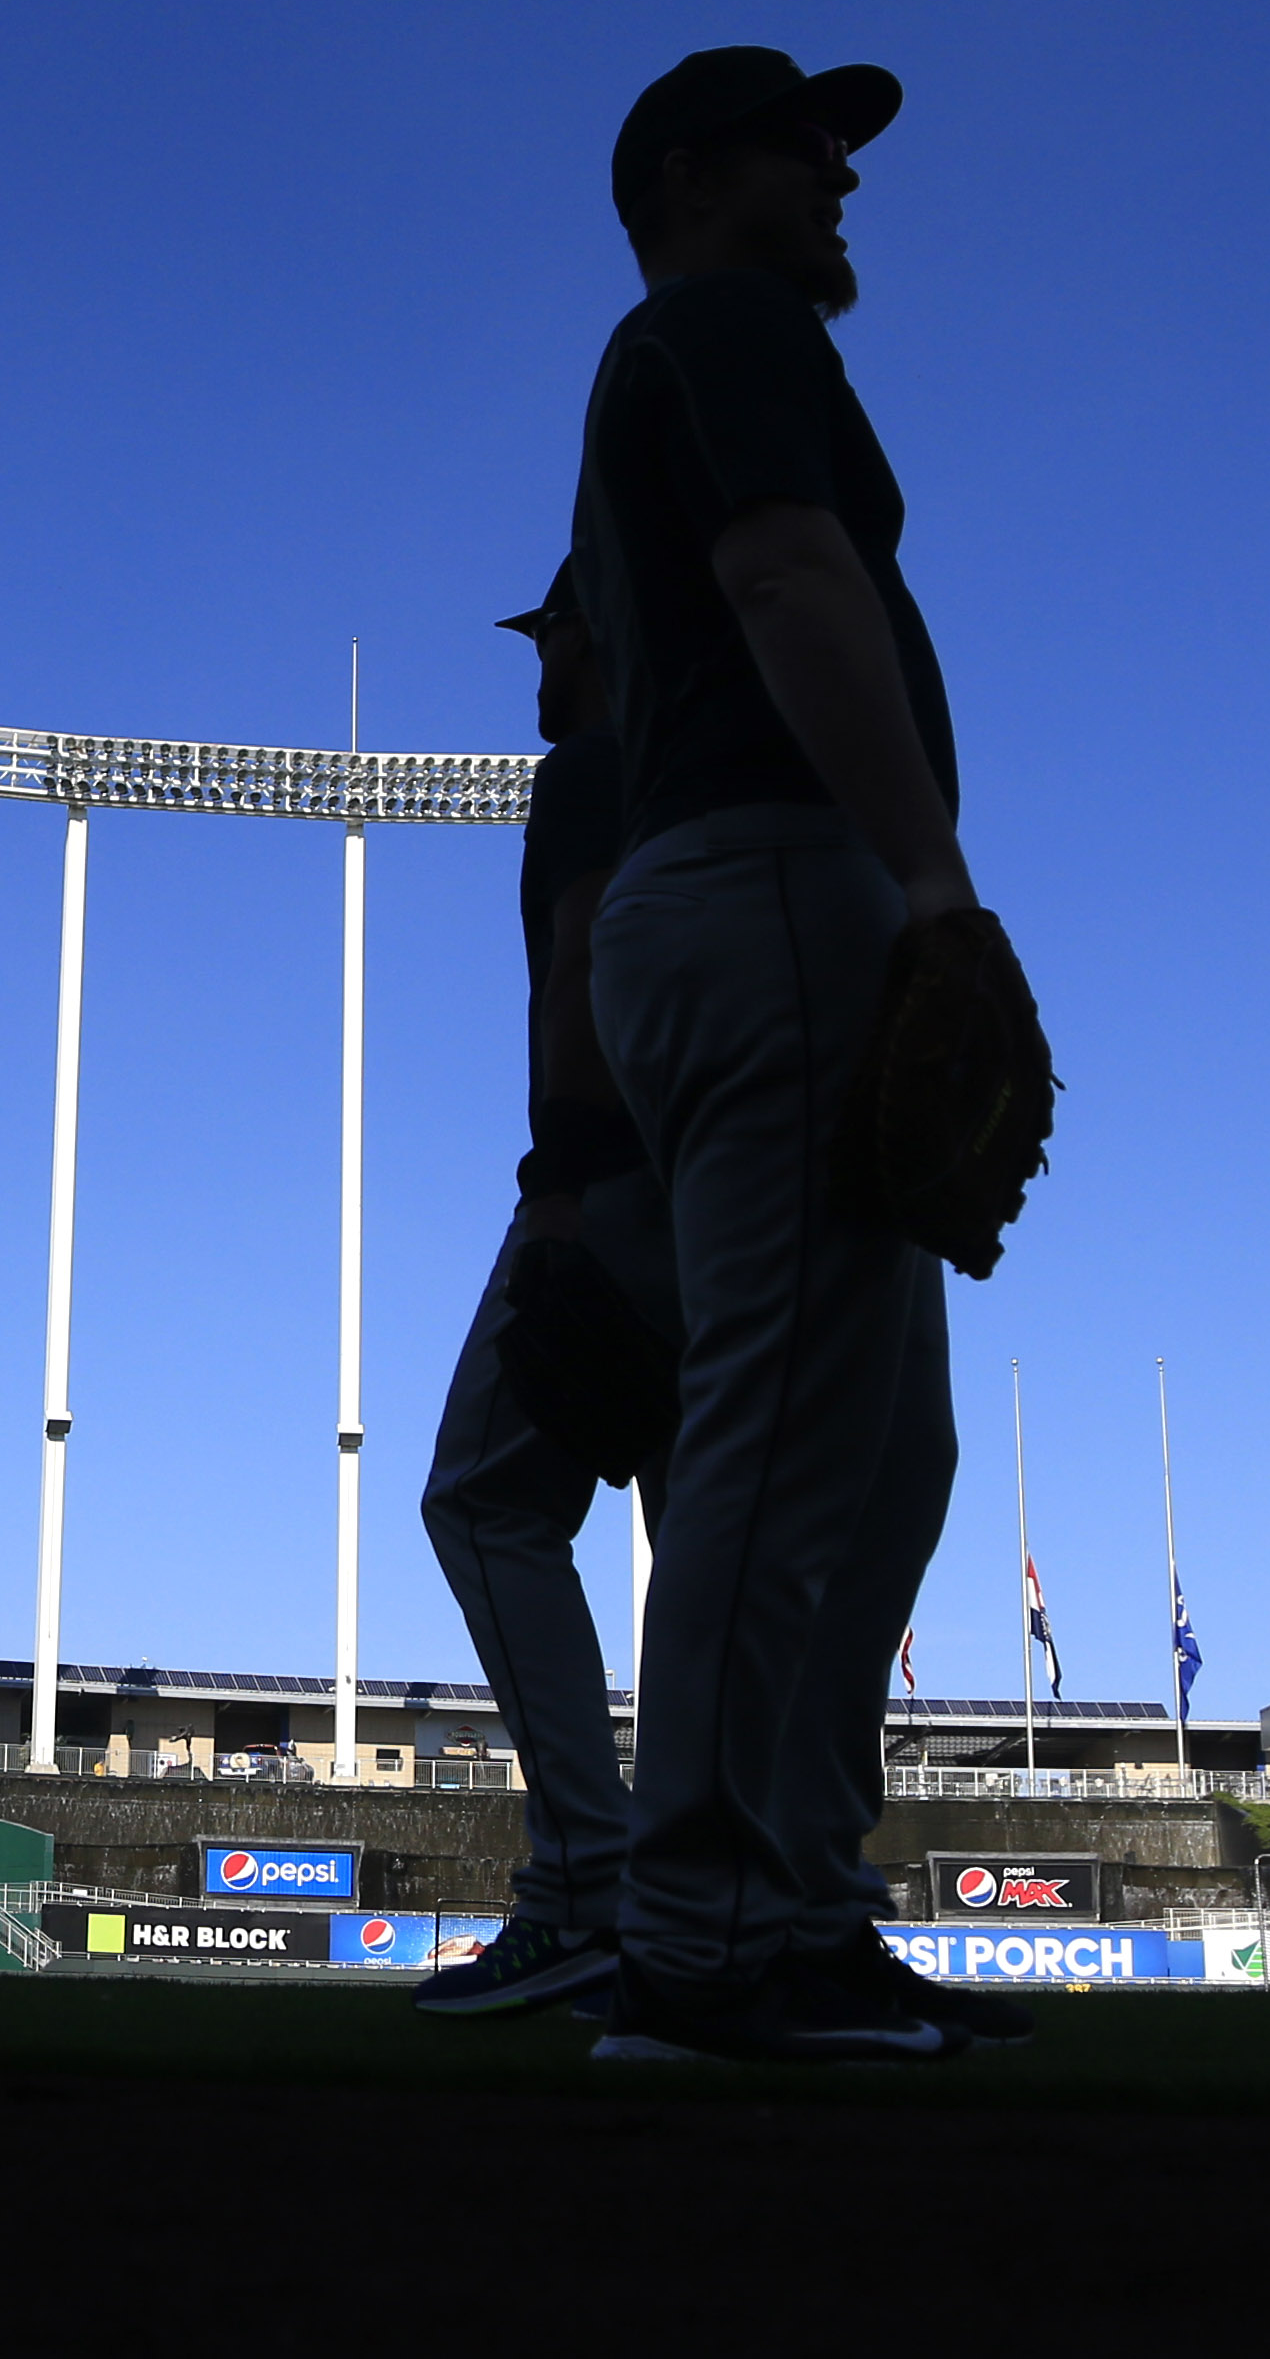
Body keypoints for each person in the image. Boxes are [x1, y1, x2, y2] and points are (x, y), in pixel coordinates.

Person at [571, 48, 1027, 2060]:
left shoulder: (696, 332)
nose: (841, 175)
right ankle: (698, 1936)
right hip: (771, 875)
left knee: (886, 1439)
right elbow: (780, 568)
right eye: (798, 145)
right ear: (690, 174)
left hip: (765, 881)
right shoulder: (717, 318)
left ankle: (795, 1905)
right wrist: (929, 883)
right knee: (774, 1418)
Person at [411, 562, 682, 2018]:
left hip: (614, 1180)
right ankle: (723, 1905)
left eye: (557, 631)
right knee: (704, 1542)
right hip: (742, 1194)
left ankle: (585, 1882)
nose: (541, 657)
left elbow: (584, 955)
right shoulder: (718, 772)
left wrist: (566, 1179)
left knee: (485, 1498)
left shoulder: (592, 762)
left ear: (601, 633)